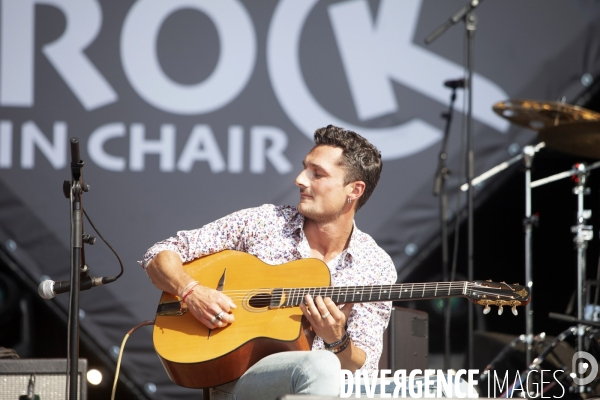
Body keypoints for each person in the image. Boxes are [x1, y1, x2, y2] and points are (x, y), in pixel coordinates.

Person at [139, 125, 397, 399]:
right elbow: (159, 254)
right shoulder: (264, 223)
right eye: (304, 168)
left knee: (323, 365)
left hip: (324, 384)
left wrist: (337, 340)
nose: (300, 180)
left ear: (354, 190)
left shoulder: (375, 264)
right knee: (320, 364)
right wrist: (191, 291)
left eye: (317, 174)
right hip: (237, 376)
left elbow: (363, 369)